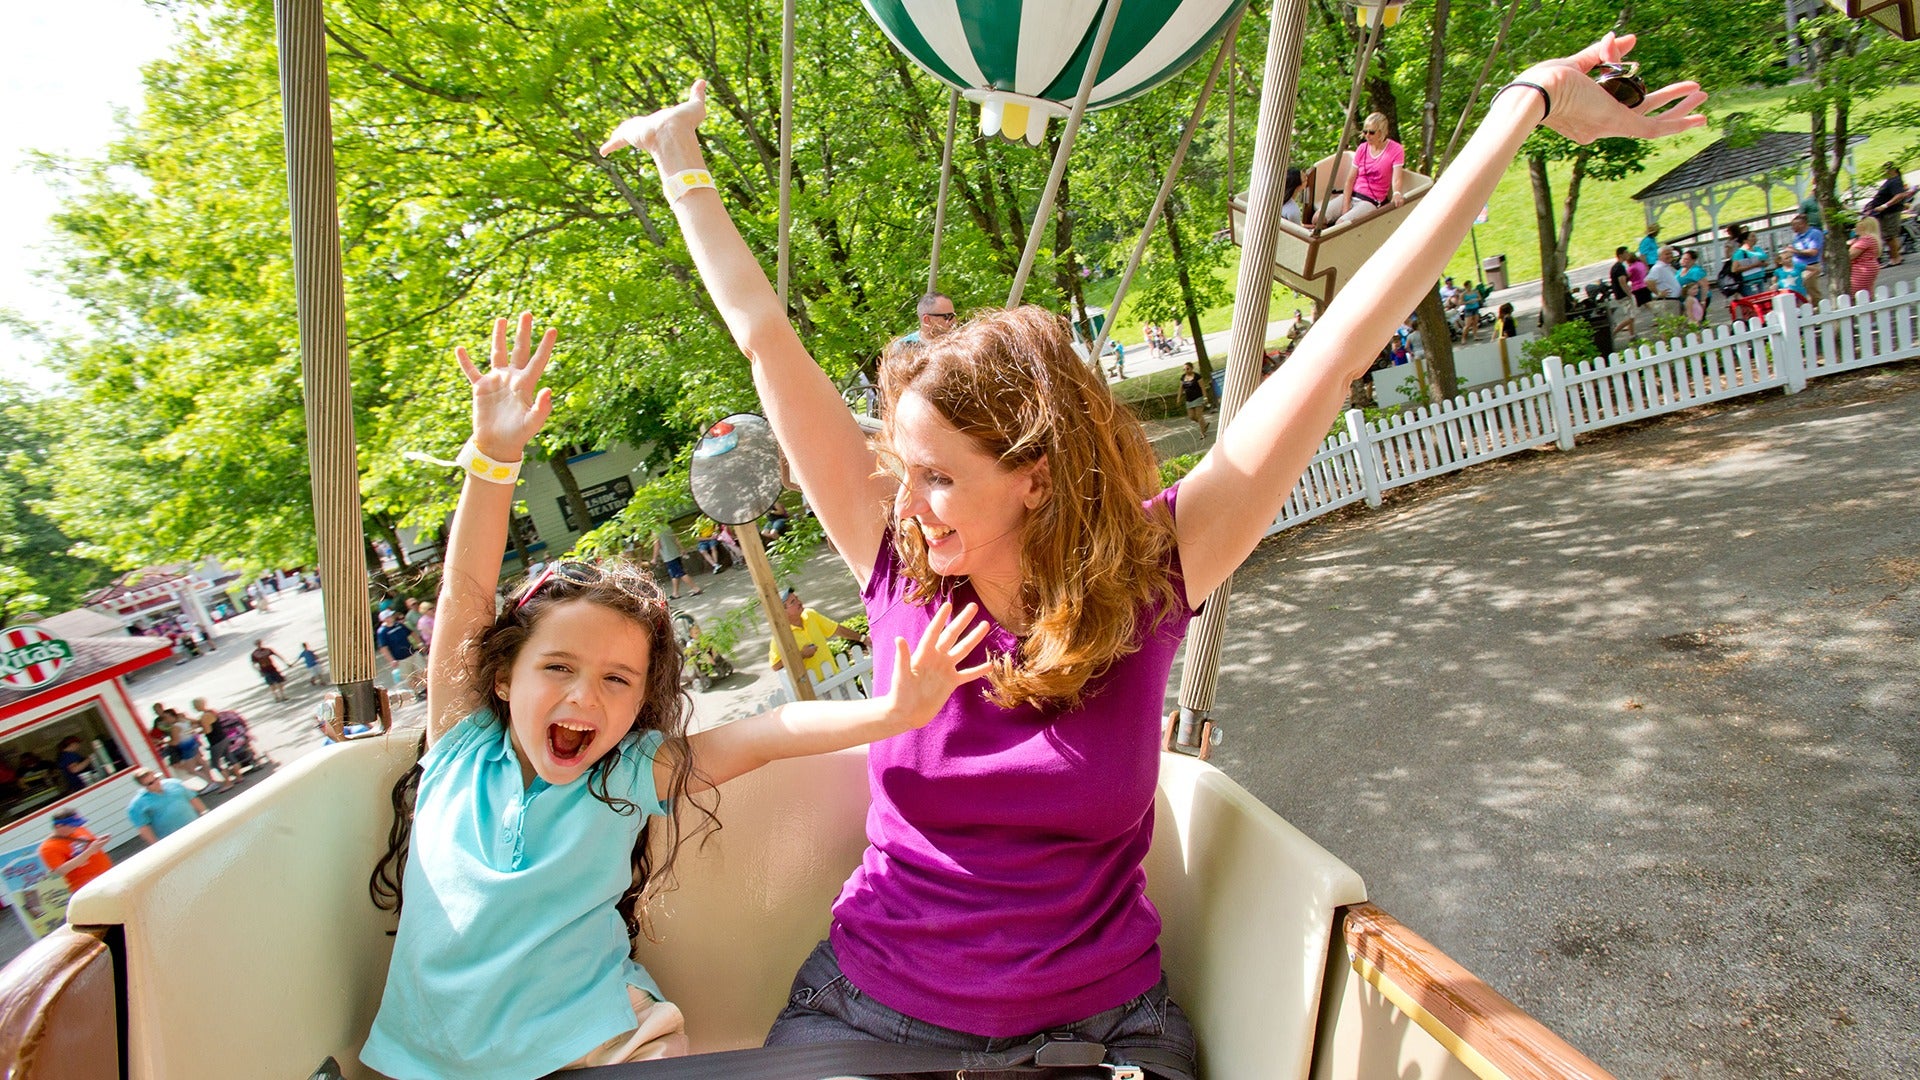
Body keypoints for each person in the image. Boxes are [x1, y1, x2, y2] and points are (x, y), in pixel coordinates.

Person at [599, 36, 1703, 1076]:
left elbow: (1340, 346)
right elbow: (766, 342)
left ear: (1033, 475)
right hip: (874, 1016)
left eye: (938, 477)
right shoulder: (897, 564)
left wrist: (1525, 103)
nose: (911, 504)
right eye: (903, 468)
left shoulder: (1151, 574)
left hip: (1095, 1035)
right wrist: (681, 163)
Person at [358, 313, 993, 1079]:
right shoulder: (461, 743)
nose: (584, 695)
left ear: (638, 707)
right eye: (557, 667)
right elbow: (464, 590)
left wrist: (893, 714)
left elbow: (771, 731)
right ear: (501, 677)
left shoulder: (627, 772)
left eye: (616, 680)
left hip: (606, 1049)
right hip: (422, 1065)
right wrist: (494, 458)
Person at [768, 587, 868, 684]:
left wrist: (862, 638)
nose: (799, 602)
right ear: (783, 611)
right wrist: (801, 655)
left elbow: (836, 629)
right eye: (793, 602)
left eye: (797, 598)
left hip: (835, 678)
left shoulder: (810, 615)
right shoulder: (780, 636)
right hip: (814, 689)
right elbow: (775, 666)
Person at [1335, 111, 1406, 225]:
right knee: (1317, 218)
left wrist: (1397, 193)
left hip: (1371, 200)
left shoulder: (1396, 149)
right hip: (1354, 194)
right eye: (1365, 132)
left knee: (1340, 224)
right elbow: (1350, 180)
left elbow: (1397, 178)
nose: (1367, 135)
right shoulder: (1362, 148)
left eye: (1371, 132)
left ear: (1382, 132)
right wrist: (1346, 205)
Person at [125, 768, 207, 845]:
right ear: (144, 786)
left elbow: (192, 798)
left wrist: (205, 814)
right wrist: (157, 845)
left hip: (197, 828)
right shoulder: (137, 805)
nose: (156, 783)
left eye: (156, 778)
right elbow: (144, 828)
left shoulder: (175, 784)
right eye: (151, 783)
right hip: (173, 841)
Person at [39, 813, 112, 893]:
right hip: (86, 886)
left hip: (107, 874)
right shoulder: (48, 847)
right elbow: (60, 870)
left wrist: (99, 841)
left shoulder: (79, 829)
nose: (76, 827)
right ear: (58, 826)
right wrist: (90, 850)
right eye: (72, 825)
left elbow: (91, 843)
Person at [1862, 162, 1910, 266]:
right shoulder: (1890, 181)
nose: (1885, 171)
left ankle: (1895, 258)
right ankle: (1895, 256)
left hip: (1890, 212)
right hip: (1884, 213)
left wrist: (1885, 205)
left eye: (1887, 169)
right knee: (1889, 235)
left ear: (1894, 170)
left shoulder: (1895, 181)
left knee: (1890, 235)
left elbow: (1899, 195)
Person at [375, 609, 428, 701]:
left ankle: (427, 689)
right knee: (409, 677)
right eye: (389, 616)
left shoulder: (399, 625)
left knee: (423, 670)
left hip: (412, 653)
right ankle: (417, 693)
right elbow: (383, 648)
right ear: (385, 619)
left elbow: (411, 633)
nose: (392, 617)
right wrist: (391, 660)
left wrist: (419, 644)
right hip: (401, 659)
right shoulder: (382, 632)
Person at [649, 527, 702, 600]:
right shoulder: (667, 527)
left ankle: (695, 588)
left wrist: (654, 558)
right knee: (674, 574)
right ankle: (675, 593)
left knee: (680, 573)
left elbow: (657, 545)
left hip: (669, 556)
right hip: (675, 553)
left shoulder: (655, 531)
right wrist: (681, 549)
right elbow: (675, 539)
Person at [1788, 212, 1825, 305]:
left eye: (1794, 225)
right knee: (1800, 290)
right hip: (1798, 266)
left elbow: (1813, 252)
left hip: (1810, 266)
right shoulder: (1797, 236)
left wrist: (1796, 251)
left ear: (1802, 224)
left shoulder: (1814, 233)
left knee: (1811, 290)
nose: (1792, 228)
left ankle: (1818, 307)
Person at [1849, 216, 1882, 297]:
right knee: (1866, 293)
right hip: (1869, 267)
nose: (1854, 228)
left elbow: (1850, 255)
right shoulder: (1872, 238)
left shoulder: (1866, 239)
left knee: (1855, 293)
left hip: (1862, 269)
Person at [1646, 246, 1682, 319]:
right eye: (1667, 254)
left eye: (1671, 253)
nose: (1670, 255)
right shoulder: (1657, 268)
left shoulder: (1667, 267)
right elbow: (1649, 281)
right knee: (1670, 323)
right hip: (1667, 302)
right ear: (1659, 256)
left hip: (1674, 301)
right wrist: (1658, 293)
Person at [1676, 250, 1707, 322]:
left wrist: (1703, 301)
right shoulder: (1680, 270)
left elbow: (1705, 286)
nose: (1682, 261)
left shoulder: (1696, 271)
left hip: (1696, 299)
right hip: (1684, 299)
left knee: (1695, 318)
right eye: (1682, 258)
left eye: (1686, 259)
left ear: (1693, 260)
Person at [1179, 362, 1208, 435]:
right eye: (1184, 369)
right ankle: (1204, 424)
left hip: (1198, 398)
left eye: (1187, 369)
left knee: (1199, 416)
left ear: (1192, 368)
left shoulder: (1197, 376)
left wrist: (1205, 397)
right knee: (1191, 416)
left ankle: (1203, 433)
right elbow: (1181, 388)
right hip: (1189, 399)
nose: (1186, 370)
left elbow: (1202, 387)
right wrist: (1178, 397)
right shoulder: (1183, 377)